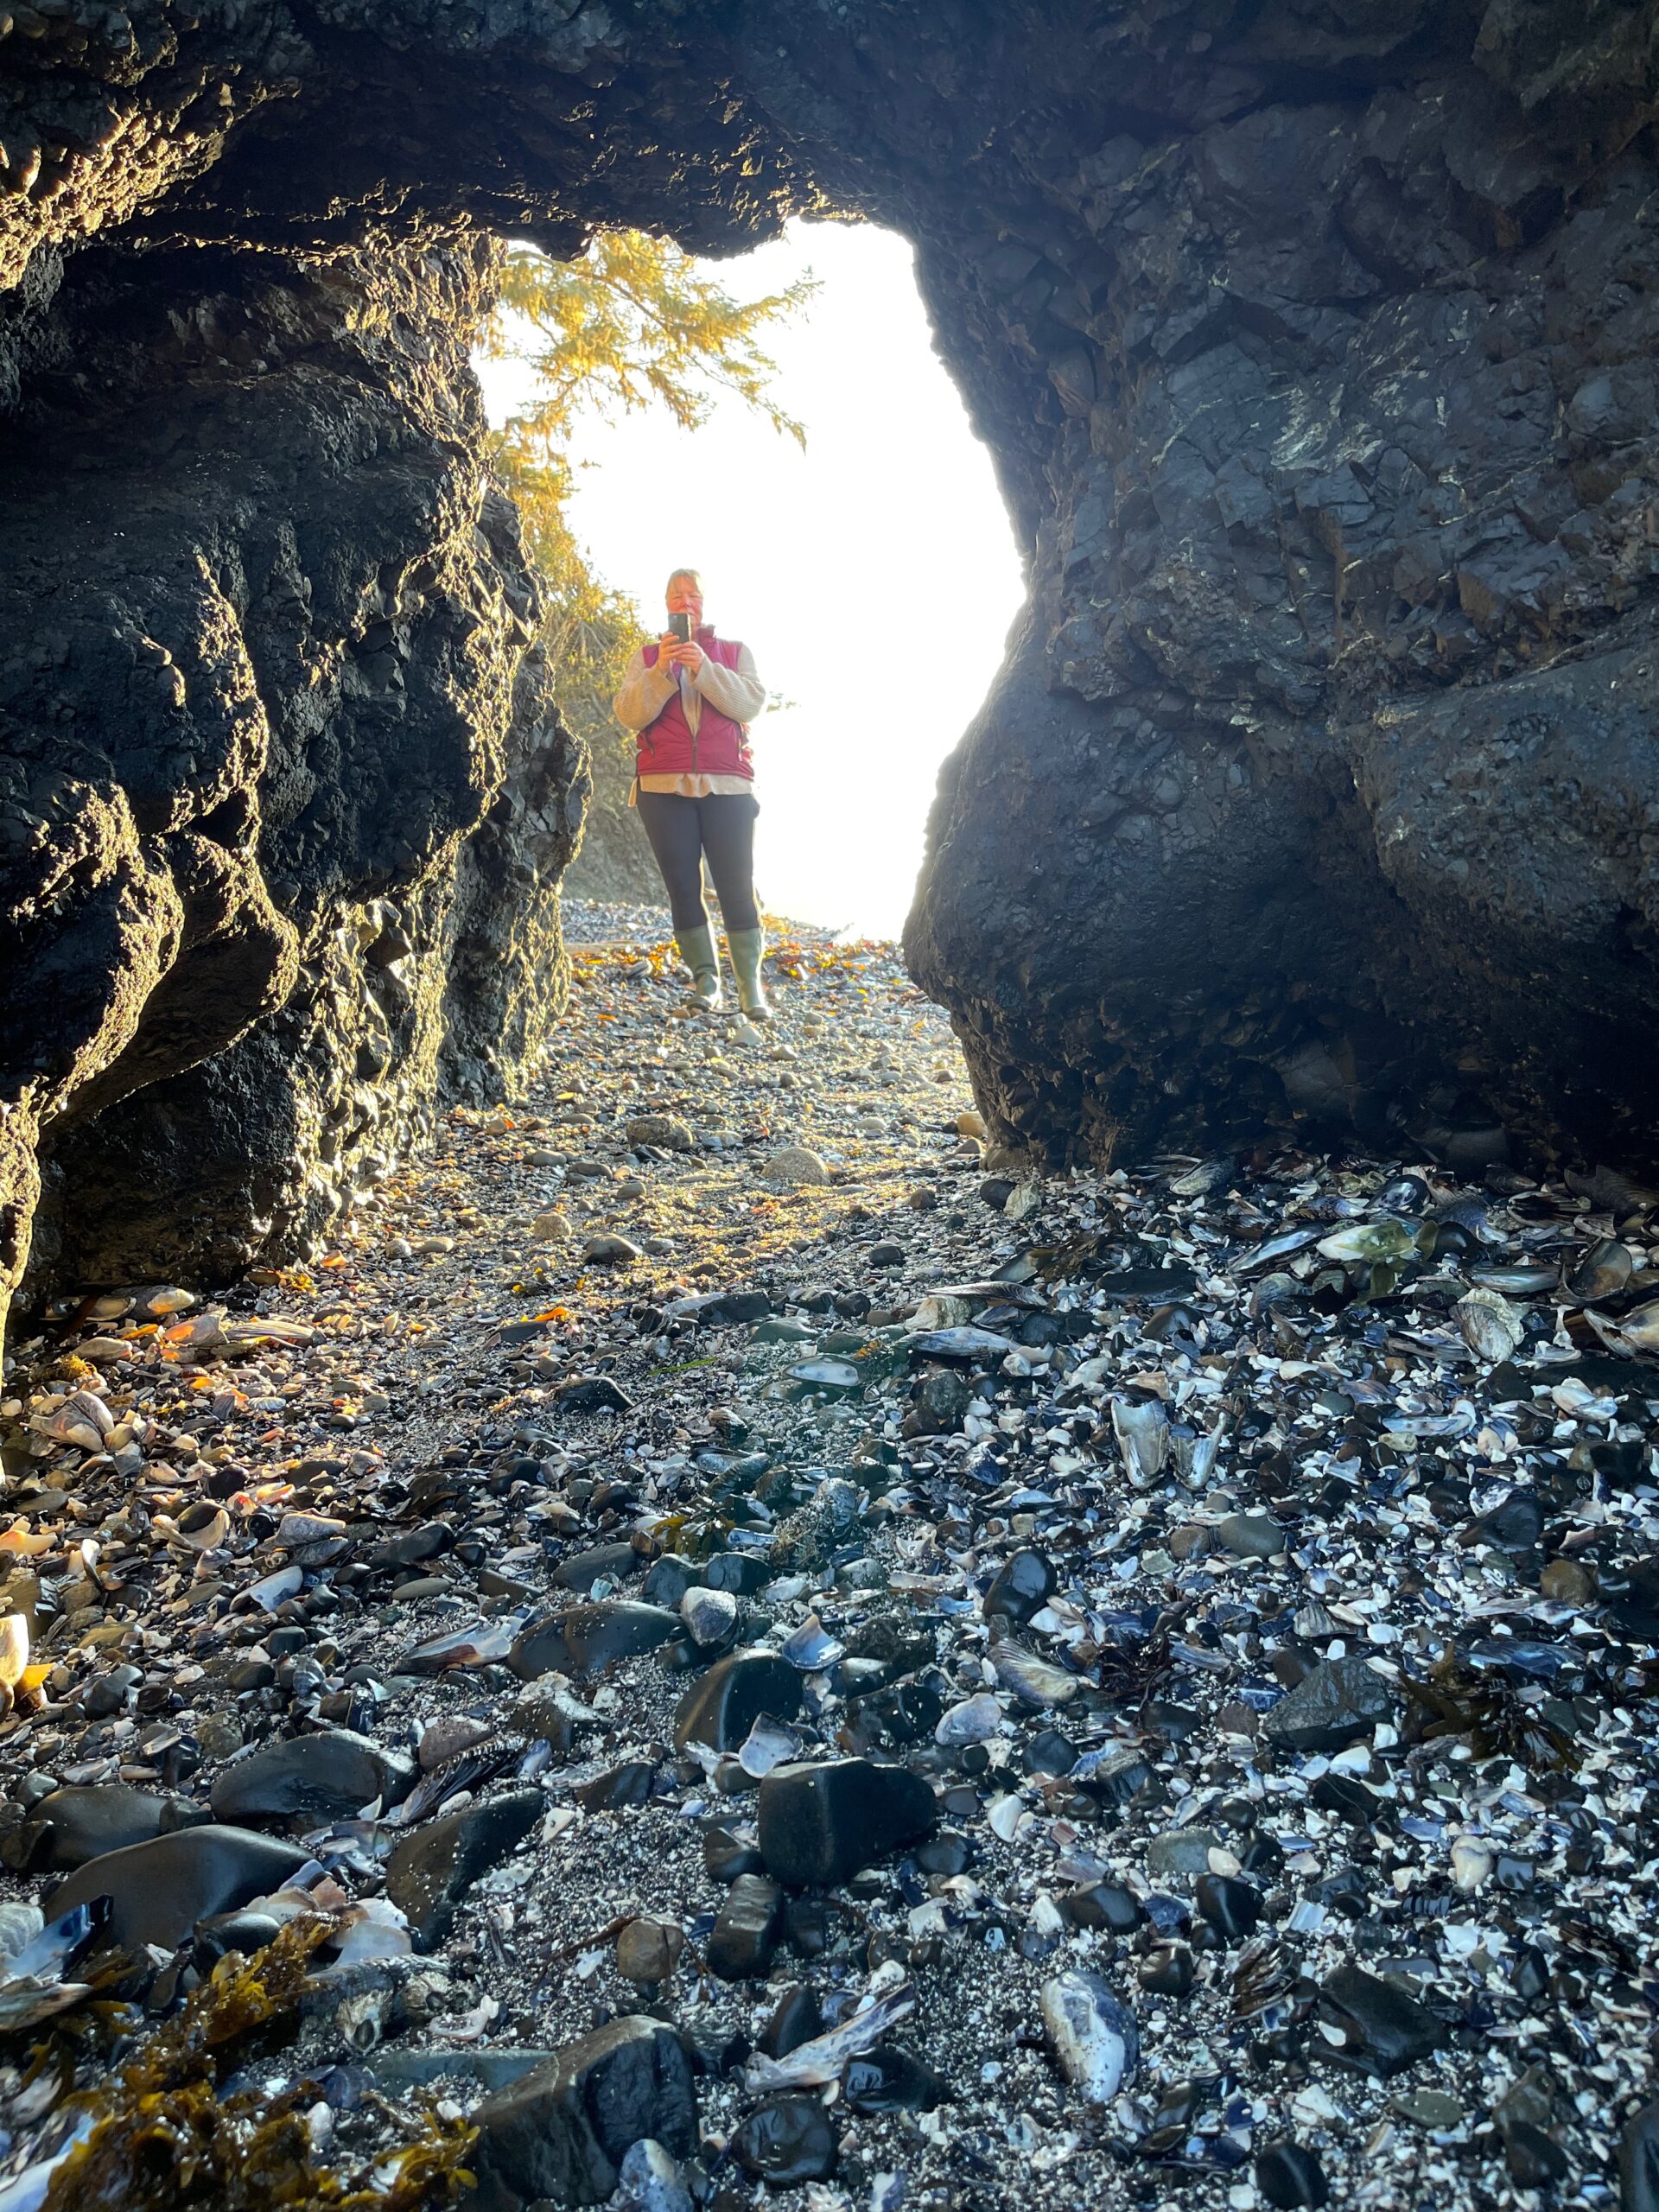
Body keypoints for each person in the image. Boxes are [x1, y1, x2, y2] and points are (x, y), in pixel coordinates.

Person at [612, 568, 771, 1017]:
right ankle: (707, 982)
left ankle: (750, 989)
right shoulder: (647, 657)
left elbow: (750, 704)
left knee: (736, 886)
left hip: (728, 785)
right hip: (662, 787)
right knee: (683, 887)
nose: (685, 602)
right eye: (676, 595)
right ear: (666, 604)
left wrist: (703, 668)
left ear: (703, 602)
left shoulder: (734, 653)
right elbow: (629, 714)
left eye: (693, 595)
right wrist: (661, 671)